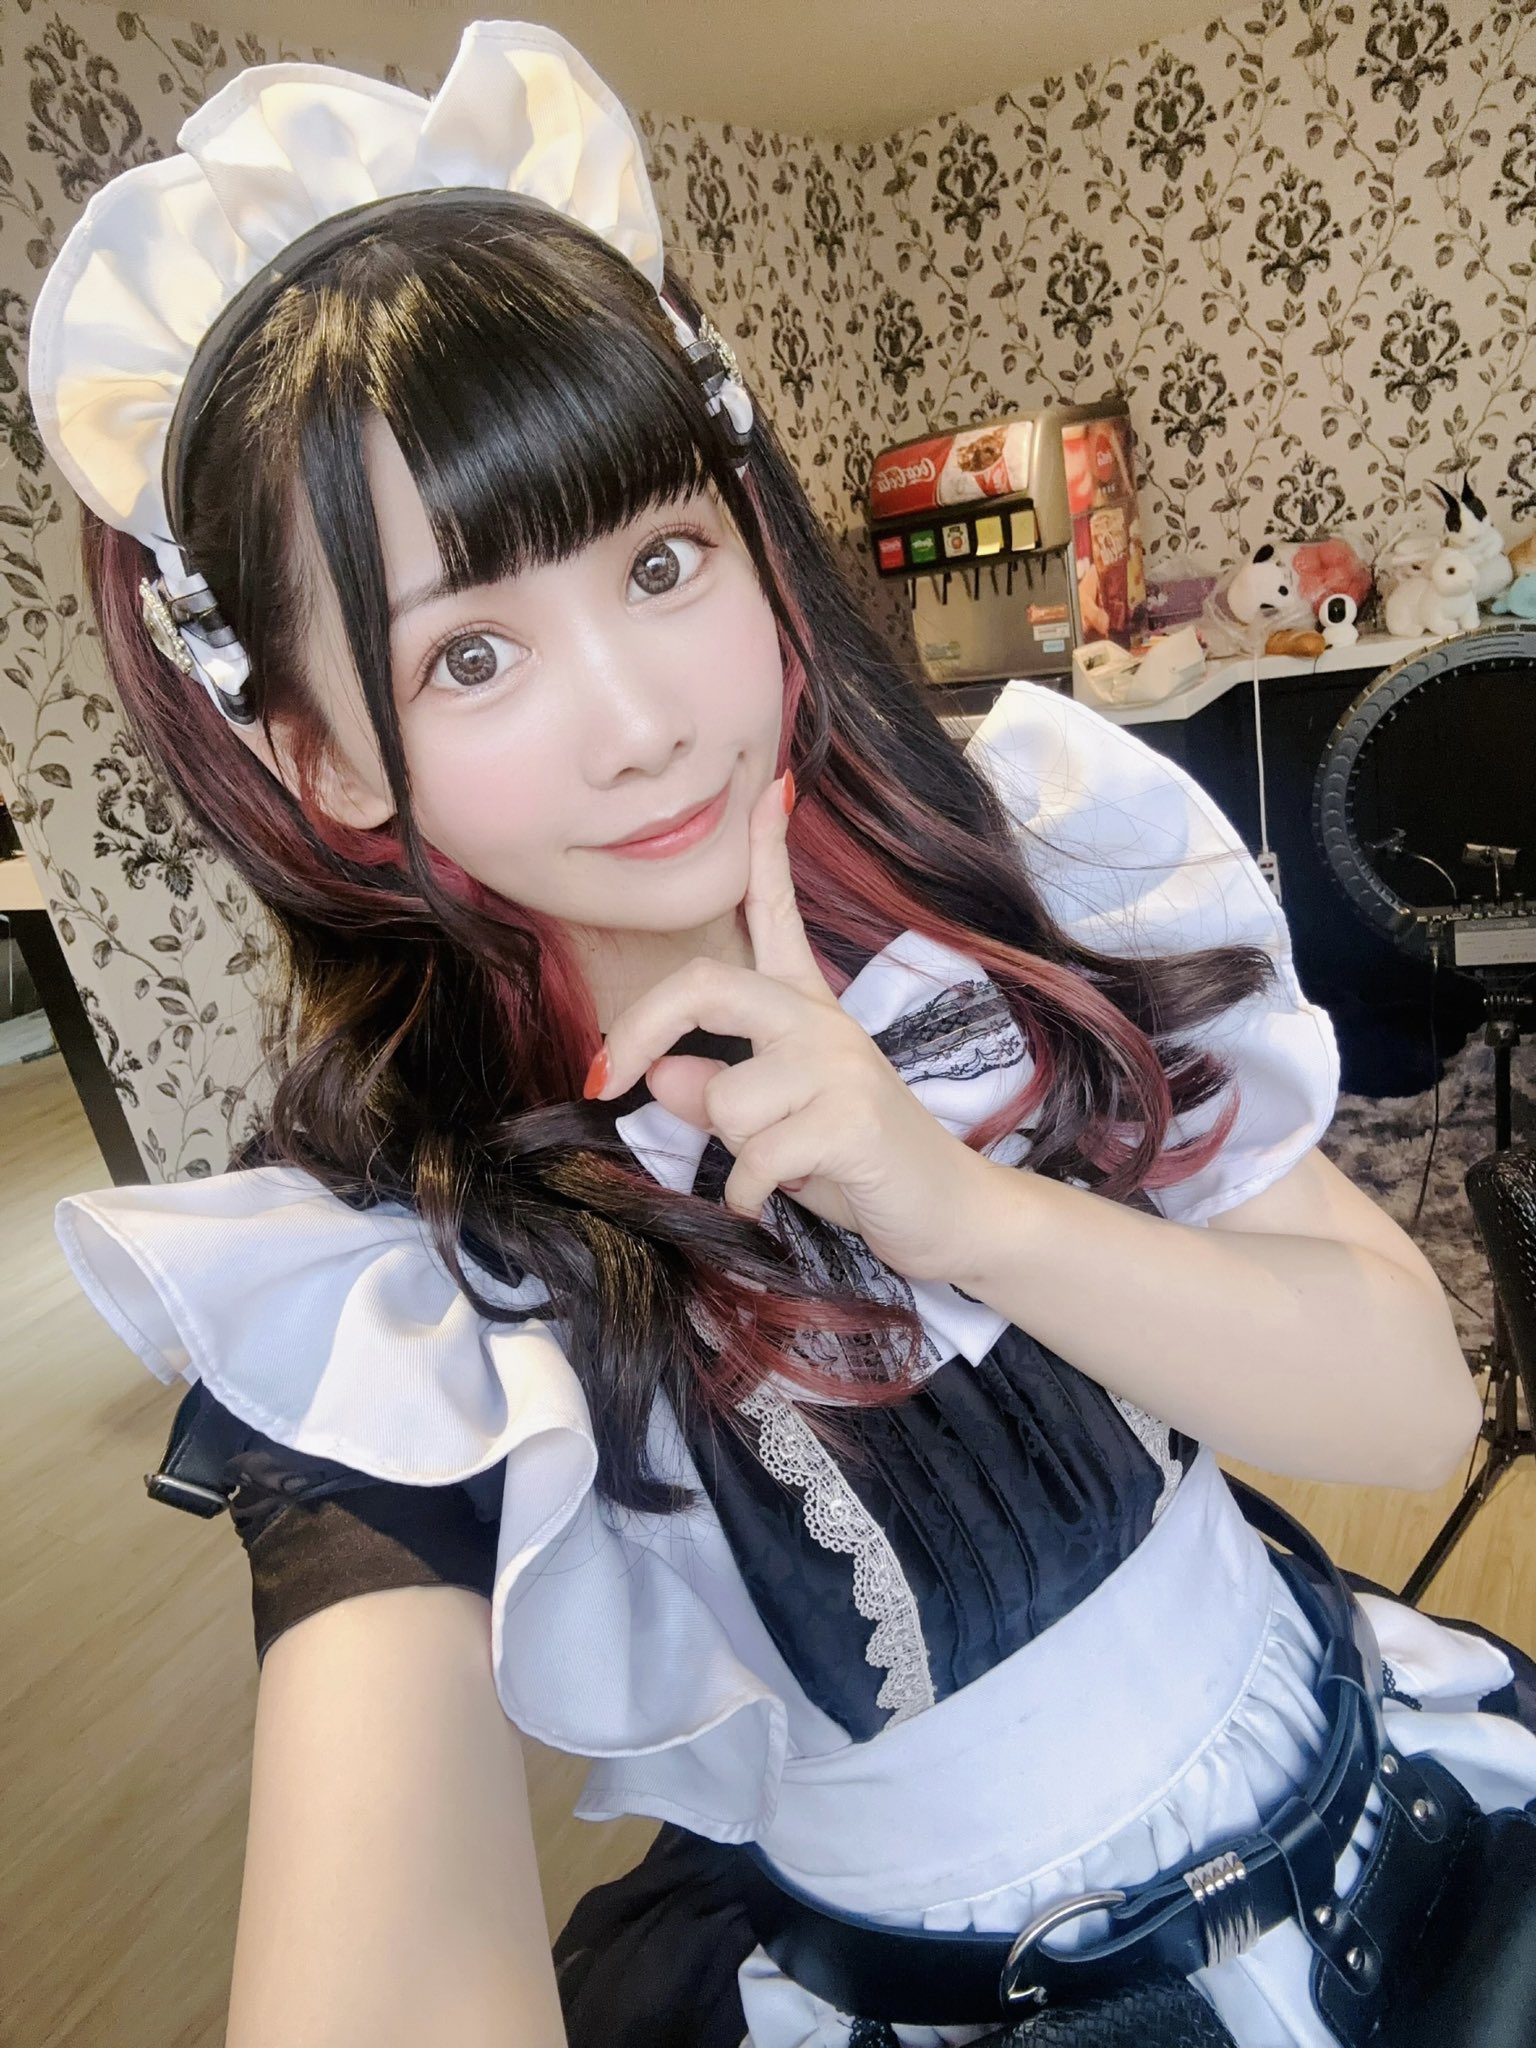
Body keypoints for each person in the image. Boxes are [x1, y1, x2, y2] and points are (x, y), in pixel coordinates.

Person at [27, 22, 1536, 2048]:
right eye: (470, 655)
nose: (641, 719)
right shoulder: (401, 1294)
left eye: (661, 562)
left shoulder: (1033, 872)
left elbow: (1413, 1414)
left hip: (1406, 1808)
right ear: (327, 760)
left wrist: (955, 1207)